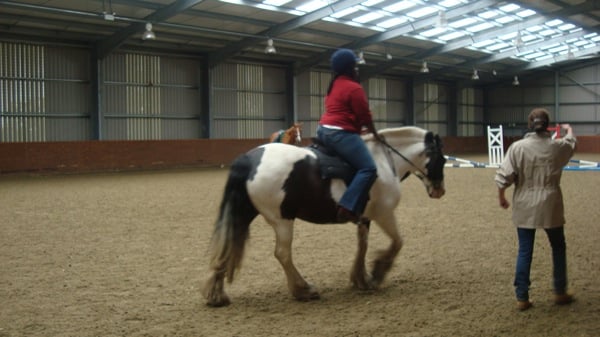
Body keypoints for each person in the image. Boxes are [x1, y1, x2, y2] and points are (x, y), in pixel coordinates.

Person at [494, 108, 577, 311]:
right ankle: (560, 291)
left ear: (530, 124)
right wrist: (569, 129)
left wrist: (502, 196)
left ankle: (522, 296)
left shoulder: (517, 148)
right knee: (558, 247)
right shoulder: (557, 147)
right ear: (547, 125)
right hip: (551, 204)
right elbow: (571, 144)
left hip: (524, 203)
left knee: (525, 250)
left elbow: (504, 176)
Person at [317, 48, 382, 223]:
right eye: (355, 65)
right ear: (350, 67)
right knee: (368, 168)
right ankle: (347, 206)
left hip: (323, 130)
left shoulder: (333, 85)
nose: (357, 69)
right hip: (340, 134)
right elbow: (364, 116)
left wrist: (358, 129)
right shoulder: (354, 88)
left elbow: (344, 113)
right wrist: (374, 133)